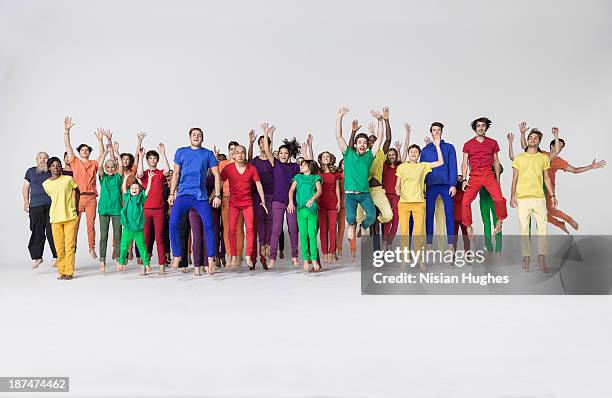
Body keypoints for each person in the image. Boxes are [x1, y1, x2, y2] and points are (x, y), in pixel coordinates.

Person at [512, 123, 606, 234]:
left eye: (561, 147)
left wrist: (591, 167)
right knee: (540, 215)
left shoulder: (558, 160)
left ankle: (568, 220)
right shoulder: (541, 154)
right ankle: (559, 224)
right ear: (551, 145)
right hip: (534, 187)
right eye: (558, 146)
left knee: (550, 211)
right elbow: (525, 146)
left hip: (548, 188)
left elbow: (575, 170)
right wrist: (522, 133)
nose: (559, 149)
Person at [168, 127, 222, 276]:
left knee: (209, 226)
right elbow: (176, 173)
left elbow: (217, 175)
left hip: (200, 197)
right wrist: (172, 193)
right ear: (189, 137)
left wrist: (217, 195)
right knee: (173, 223)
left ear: (202, 138)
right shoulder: (181, 152)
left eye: (199, 135)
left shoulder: (208, 154)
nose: (196, 137)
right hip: (183, 195)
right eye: (194, 135)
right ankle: (177, 255)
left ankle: (210, 259)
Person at [510, 129, 557, 272]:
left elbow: (547, 178)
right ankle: (526, 257)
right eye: (530, 137)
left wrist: (552, 196)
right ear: (528, 140)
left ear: (539, 141)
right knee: (524, 228)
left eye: (535, 138)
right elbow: (514, 178)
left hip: (539, 198)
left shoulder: (543, 158)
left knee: (542, 228)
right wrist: (512, 196)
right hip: (522, 197)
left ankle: (542, 257)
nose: (532, 139)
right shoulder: (519, 158)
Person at [395, 137, 445, 271]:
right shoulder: (402, 167)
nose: (413, 153)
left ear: (419, 155)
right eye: (411, 151)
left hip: (418, 204)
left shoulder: (422, 166)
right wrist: (398, 190)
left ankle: (420, 261)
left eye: (416, 151)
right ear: (408, 153)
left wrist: (437, 146)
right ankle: (404, 260)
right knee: (405, 233)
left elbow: (441, 162)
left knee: (418, 233)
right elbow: (397, 185)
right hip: (404, 203)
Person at [335, 107, 384, 241]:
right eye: (360, 143)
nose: (362, 145)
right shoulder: (348, 154)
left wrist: (380, 121)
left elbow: (380, 138)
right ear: (355, 145)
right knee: (351, 217)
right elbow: (339, 136)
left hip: (364, 194)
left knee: (372, 216)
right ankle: (352, 226)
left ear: (367, 146)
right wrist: (339, 117)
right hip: (350, 194)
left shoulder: (369, 156)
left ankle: (363, 226)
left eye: (365, 143)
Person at [220, 145, 268, 270]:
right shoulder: (228, 168)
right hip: (234, 204)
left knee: (250, 228)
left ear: (245, 154)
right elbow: (219, 182)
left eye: (242, 152)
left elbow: (258, 184)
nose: (240, 155)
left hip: (248, 203)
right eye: (237, 153)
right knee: (232, 230)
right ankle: (234, 256)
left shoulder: (251, 168)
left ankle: (247, 255)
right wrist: (215, 196)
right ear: (233, 155)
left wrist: (263, 201)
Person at [63, 116, 104, 259]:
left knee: (90, 225)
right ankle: (71, 250)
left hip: (91, 197)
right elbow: (68, 146)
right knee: (75, 224)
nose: (84, 151)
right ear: (79, 152)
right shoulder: (74, 162)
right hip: (78, 197)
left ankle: (91, 248)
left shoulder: (94, 163)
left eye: (87, 149)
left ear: (89, 152)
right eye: (82, 149)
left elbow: (101, 154)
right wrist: (66, 132)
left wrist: (100, 141)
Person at [261, 123, 301, 268]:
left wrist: (308, 147)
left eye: (286, 153)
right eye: (281, 153)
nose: (283, 155)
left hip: (292, 203)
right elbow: (267, 149)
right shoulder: (275, 164)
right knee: (276, 229)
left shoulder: (295, 167)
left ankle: (295, 256)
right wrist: (266, 134)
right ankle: (272, 257)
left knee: (292, 229)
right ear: (278, 154)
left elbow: (309, 164)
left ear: (290, 155)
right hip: (277, 202)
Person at [351, 107, 394, 240]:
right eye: (368, 141)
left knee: (388, 215)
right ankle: (362, 224)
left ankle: (373, 219)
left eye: (373, 141)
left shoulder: (380, 153)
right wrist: (353, 132)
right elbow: (351, 146)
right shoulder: (361, 155)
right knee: (357, 216)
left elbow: (388, 139)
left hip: (376, 190)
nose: (370, 142)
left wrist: (386, 120)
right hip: (363, 189)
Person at [460, 117, 507, 238]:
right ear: (475, 128)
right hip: (474, 175)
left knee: (499, 199)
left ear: (486, 128)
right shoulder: (468, 144)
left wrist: (498, 179)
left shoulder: (492, 143)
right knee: (465, 202)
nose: (481, 128)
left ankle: (500, 221)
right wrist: (464, 179)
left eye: (483, 125)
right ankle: (468, 225)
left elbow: (496, 161)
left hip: (488, 174)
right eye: (478, 126)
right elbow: (464, 163)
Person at [420, 122, 457, 252]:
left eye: (438, 130)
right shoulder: (425, 150)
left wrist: (453, 184)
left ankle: (451, 244)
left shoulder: (449, 147)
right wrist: (422, 188)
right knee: (429, 214)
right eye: (434, 130)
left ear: (441, 132)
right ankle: (429, 244)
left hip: (446, 185)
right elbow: (422, 170)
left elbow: (453, 167)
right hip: (431, 186)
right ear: (431, 132)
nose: (436, 132)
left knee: (449, 214)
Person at [136, 136, 171, 273]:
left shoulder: (160, 173)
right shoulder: (144, 174)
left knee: (159, 237)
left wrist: (163, 154)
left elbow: (168, 170)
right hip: (145, 210)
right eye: (150, 159)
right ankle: (145, 264)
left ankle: (162, 265)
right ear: (147, 160)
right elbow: (138, 173)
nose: (152, 160)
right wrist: (140, 156)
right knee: (145, 238)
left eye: (154, 158)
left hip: (159, 210)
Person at [43, 157, 79, 280]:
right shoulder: (46, 184)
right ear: (49, 168)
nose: (56, 168)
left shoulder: (68, 179)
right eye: (53, 166)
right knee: (59, 246)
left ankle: (69, 272)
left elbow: (77, 190)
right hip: (55, 218)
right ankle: (62, 271)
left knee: (69, 245)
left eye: (58, 165)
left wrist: (76, 208)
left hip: (70, 216)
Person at [23, 152, 57, 268]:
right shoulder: (31, 171)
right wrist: (26, 202)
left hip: (51, 205)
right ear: (36, 159)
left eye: (45, 157)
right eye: (40, 157)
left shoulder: (52, 170)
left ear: (48, 160)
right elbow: (25, 187)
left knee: (52, 231)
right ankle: (38, 257)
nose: (43, 160)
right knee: (37, 230)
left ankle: (56, 256)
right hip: (35, 205)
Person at [287, 160, 323, 272]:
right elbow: (291, 190)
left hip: (312, 211)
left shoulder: (315, 178)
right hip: (301, 211)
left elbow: (319, 191)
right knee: (303, 235)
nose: (301, 166)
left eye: (303, 165)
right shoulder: (298, 177)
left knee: (312, 235)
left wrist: (312, 199)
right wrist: (291, 202)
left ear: (310, 167)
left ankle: (314, 259)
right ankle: (306, 259)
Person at [97, 131, 124, 273]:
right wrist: (106, 153)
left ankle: (119, 259)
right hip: (103, 210)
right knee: (103, 236)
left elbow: (121, 166)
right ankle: (102, 260)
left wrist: (116, 152)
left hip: (116, 210)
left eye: (112, 167)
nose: (110, 169)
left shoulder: (118, 178)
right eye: (108, 167)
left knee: (118, 235)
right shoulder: (103, 178)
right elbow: (100, 165)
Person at [118, 171, 154, 275]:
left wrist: (150, 179)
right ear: (130, 190)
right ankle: (121, 262)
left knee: (142, 247)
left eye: (136, 188)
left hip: (138, 228)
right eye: (133, 188)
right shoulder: (127, 197)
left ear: (139, 191)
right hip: (128, 228)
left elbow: (147, 190)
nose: (134, 190)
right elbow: (124, 188)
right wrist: (125, 178)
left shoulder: (142, 198)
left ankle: (147, 264)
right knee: (124, 246)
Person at [218, 140, 246, 268]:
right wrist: (217, 196)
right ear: (230, 152)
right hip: (226, 199)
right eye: (231, 150)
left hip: (239, 199)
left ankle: (239, 255)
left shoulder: (243, 165)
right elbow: (219, 182)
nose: (234, 152)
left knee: (239, 228)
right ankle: (230, 255)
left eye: (236, 150)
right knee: (227, 228)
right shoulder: (223, 164)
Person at [382, 124, 409, 250]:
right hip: (386, 195)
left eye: (394, 154)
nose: (392, 156)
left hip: (397, 195)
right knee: (388, 218)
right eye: (390, 155)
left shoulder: (400, 166)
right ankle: (384, 241)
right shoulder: (384, 166)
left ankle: (390, 242)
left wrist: (408, 133)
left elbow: (405, 152)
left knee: (396, 219)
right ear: (387, 156)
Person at [315, 144, 341, 264]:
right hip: (320, 203)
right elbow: (309, 160)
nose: (326, 158)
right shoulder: (317, 171)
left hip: (332, 202)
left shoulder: (335, 172)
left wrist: (339, 201)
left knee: (332, 229)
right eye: (324, 156)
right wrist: (309, 147)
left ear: (331, 159)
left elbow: (337, 188)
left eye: (328, 156)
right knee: (323, 230)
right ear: (320, 159)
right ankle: (324, 252)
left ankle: (331, 251)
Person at [452, 175, 470, 252]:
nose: (459, 181)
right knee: (454, 239)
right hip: (454, 218)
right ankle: (453, 257)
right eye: (458, 179)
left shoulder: (466, 191)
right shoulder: (452, 191)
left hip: (464, 218)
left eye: (461, 179)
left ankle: (468, 257)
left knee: (465, 238)